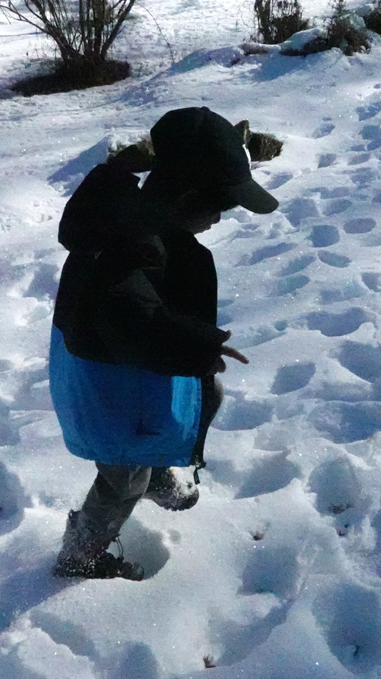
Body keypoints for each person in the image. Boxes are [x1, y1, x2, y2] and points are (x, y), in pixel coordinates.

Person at [48, 107, 280, 580]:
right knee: (120, 479)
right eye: (220, 206)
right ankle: (80, 556)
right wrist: (195, 348)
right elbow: (128, 320)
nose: (220, 218)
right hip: (109, 382)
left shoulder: (147, 228)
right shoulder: (130, 244)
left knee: (201, 397)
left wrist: (193, 348)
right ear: (189, 195)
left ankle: (155, 470)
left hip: (134, 373)